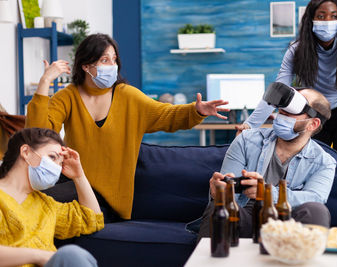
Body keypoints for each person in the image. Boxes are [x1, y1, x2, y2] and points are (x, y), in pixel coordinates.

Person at [25, 34, 229, 221]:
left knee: (37, 206)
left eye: (114, 60)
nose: (112, 65)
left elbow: (167, 115)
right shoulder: (67, 96)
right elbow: (37, 135)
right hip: (71, 185)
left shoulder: (127, 96)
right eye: (105, 60)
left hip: (108, 200)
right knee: (29, 202)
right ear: (86, 66)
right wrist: (45, 82)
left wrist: (197, 110)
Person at [236, 0, 337, 166]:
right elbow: (278, 92)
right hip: (313, 113)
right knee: (312, 165)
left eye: (334, 16)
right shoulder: (296, 49)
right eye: (321, 16)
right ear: (311, 19)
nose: (327, 22)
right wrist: (248, 125)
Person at [198, 88, 336, 238]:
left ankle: (300, 259)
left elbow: (315, 198)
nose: (281, 116)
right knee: (218, 207)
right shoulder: (246, 140)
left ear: (313, 124)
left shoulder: (324, 162)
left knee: (317, 211)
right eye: (281, 112)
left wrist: (268, 193)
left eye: (289, 113)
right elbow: (228, 195)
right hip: (246, 216)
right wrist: (220, 192)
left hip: (289, 224)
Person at [0, 128, 104, 267]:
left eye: (60, 163)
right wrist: (39, 256)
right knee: (69, 255)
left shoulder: (46, 204)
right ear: (26, 152)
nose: (56, 168)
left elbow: (91, 220)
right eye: (53, 157)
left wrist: (79, 176)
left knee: (72, 255)